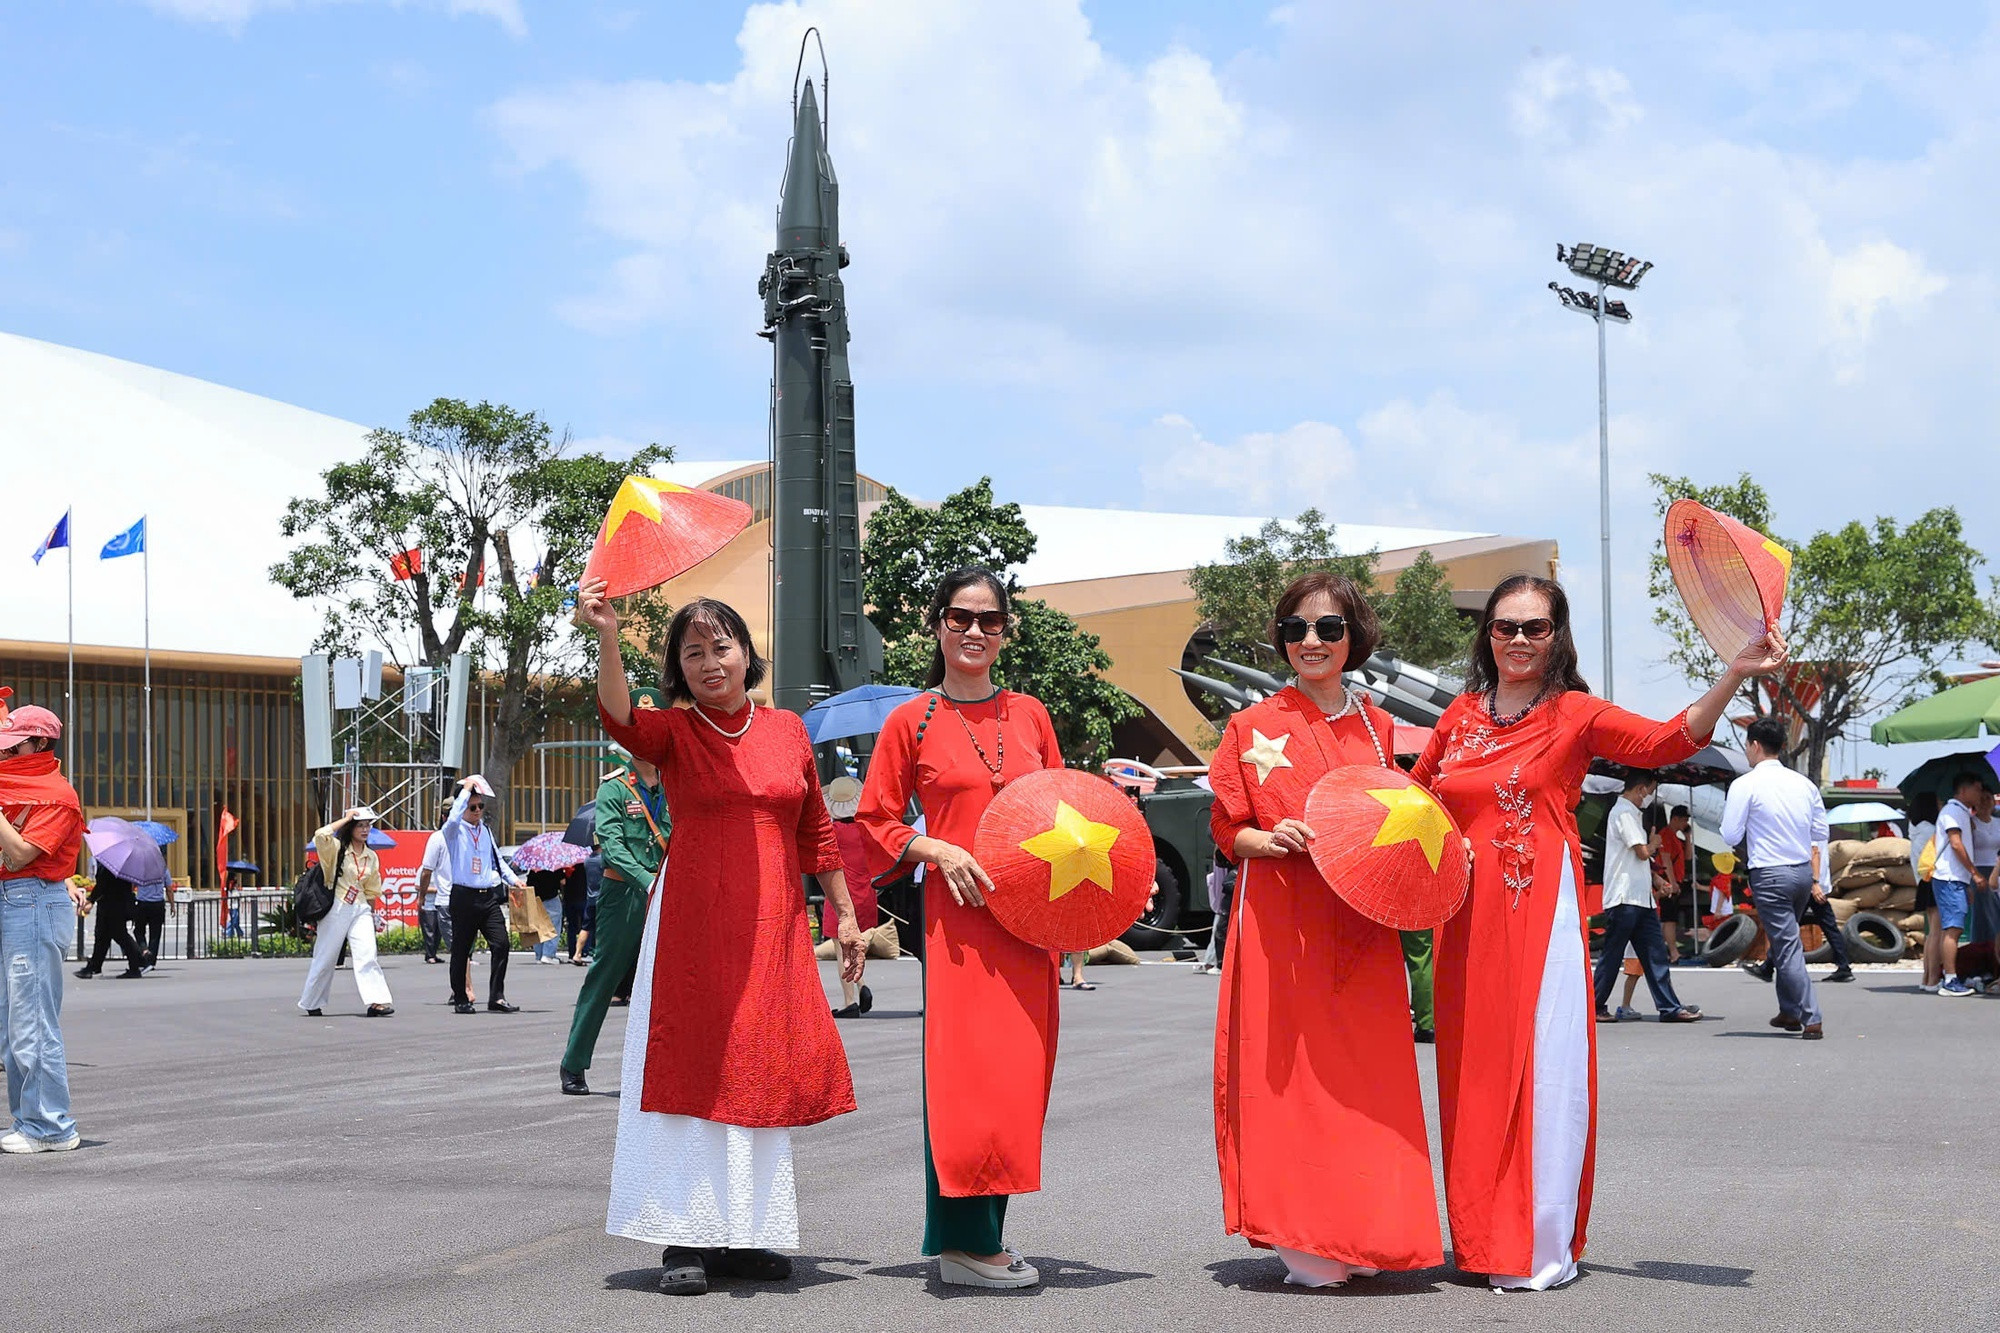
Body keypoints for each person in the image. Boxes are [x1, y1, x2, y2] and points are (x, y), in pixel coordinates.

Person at [1412, 574, 1785, 1291]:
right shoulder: (1458, 716)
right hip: (1462, 917)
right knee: (1472, 1073)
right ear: (1487, 634)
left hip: (1533, 915)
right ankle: (1483, 1238)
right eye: (1505, 625)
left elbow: (1668, 738)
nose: (1518, 638)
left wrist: (1734, 672)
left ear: (1557, 636)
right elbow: (1415, 798)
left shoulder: (1575, 714)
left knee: (1537, 1068)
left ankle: (1536, 1240)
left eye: (1534, 626)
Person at [579, 584, 865, 1296]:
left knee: (760, 1067)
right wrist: (608, 634)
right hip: (693, 924)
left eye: (722, 647)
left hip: (772, 922)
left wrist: (846, 914)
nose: (710, 662)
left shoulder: (788, 730)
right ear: (680, 668)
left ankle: (747, 1232)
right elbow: (618, 714)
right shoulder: (674, 733)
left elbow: (816, 832)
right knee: (694, 1068)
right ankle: (685, 1232)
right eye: (693, 652)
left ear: (747, 656)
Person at [1207, 571, 1444, 1287]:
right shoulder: (1250, 727)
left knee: (1364, 1080)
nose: (1311, 641)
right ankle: (1306, 1236)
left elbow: (1398, 818)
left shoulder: (1377, 726)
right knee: (1293, 1077)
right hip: (1283, 919)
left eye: (1328, 628)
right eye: (1296, 628)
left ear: (1354, 638)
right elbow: (1226, 825)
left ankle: (1366, 1228)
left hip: (1364, 927)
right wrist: (1267, 837)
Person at [856, 567, 1065, 1291]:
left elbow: (1063, 812)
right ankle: (965, 1241)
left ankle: (984, 1234)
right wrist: (934, 846)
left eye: (990, 619)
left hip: (1031, 923)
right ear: (937, 624)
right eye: (960, 616)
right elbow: (875, 818)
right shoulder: (909, 720)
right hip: (960, 925)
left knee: (1019, 1078)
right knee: (967, 1078)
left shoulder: (1033, 715)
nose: (975, 630)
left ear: (1006, 632)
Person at [560, 720, 670, 1096]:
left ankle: (661, 1070)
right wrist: (647, 879)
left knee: (668, 983)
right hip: (625, 892)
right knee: (605, 976)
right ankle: (574, 1063)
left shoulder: (674, 784)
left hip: (668, 892)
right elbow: (612, 842)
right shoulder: (614, 787)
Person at [0, 704, 88, 1152]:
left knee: (32, 1020)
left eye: (14, 745)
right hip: (17, 901)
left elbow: (18, 854)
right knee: (11, 1025)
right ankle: (29, 1121)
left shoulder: (57, 794)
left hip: (31, 899)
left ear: (39, 743)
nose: (6, 754)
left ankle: (51, 1127)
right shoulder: (17, 788)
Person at [1719, 717, 1831, 1030]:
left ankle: (1811, 1016)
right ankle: (1790, 1010)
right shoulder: (1803, 783)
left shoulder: (1745, 784)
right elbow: (1820, 830)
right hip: (1801, 873)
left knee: (1787, 944)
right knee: (1785, 939)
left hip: (1770, 873)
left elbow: (1729, 834)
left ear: (1754, 745)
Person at [1591, 773, 1701, 1023]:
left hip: (1639, 898)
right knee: (1615, 954)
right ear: (1640, 789)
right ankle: (1596, 1004)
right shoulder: (1624, 813)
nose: (1649, 797)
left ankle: (1669, 1007)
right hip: (1625, 897)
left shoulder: (1630, 814)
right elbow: (1642, 853)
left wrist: (1658, 880)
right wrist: (1654, 843)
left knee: (1653, 954)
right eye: (1649, 791)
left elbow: (1637, 861)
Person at [297, 806, 395, 1018]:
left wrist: (372, 915)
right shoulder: (336, 848)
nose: (365, 829)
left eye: (368, 825)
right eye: (360, 825)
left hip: (360, 908)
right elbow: (320, 835)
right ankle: (312, 1001)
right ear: (350, 828)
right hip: (337, 907)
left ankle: (376, 1002)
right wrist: (345, 818)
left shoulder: (371, 856)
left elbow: (372, 890)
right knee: (326, 956)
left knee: (368, 954)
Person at [443, 775, 522, 1015]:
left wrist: (514, 880)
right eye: (472, 807)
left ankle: (496, 997)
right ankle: (460, 998)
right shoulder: (454, 830)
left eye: (480, 806)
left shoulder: (485, 831)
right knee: (461, 950)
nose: (477, 811)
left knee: (501, 944)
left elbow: (496, 860)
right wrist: (465, 790)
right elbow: (454, 816)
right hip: (464, 896)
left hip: (487, 896)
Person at [822, 775, 878, 1018]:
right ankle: (861, 984)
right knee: (856, 948)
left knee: (841, 950)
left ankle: (849, 1000)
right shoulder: (865, 830)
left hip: (839, 895)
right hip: (865, 894)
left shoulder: (832, 832)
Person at [1932, 772, 1992, 998]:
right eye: (1977, 789)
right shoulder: (1953, 812)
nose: (1980, 793)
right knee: (1953, 929)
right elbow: (1956, 845)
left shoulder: (1961, 813)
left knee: (1954, 928)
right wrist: (1974, 874)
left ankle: (1950, 976)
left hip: (1956, 879)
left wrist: (1966, 882)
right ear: (1964, 791)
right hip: (1949, 878)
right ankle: (1949, 979)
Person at [76, 863, 143, 979]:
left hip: (113, 905)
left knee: (119, 935)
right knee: (102, 937)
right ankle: (94, 966)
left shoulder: (110, 864)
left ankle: (138, 962)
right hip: (112, 904)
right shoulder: (122, 865)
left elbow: (103, 884)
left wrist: (91, 900)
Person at [1906, 793, 1942, 992]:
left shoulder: (1916, 830)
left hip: (1923, 882)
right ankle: (1933, 979)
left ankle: (1927, 977)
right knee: (1937, 932)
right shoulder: (1931, 830)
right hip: (1934, 879)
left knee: (1931, 934)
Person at [1655, 804, 1692, 960]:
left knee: (1670, 918)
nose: (1685, 824)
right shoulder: (1665, 835)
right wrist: (1672, 882)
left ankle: (1669, 950)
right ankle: (1673, 952)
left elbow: (1688, 857)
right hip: (1668, 881)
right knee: (1669, 919)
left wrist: (1688, 837)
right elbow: (1666, 860)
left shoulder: (1676, 838)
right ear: (1675, 819)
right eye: (1683, 820)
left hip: (1676, 880)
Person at [417, 816, 452, 965]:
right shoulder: (425, 868)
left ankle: (436, 954)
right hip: (431, 904)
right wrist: (426, 895)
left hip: (443, 900)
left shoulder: (444, 868)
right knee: (430, 930)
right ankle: (430, 955)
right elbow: (419, 884)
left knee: (439, 933)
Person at [131, 871, 171, 974]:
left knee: (138, 931)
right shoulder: (163, 870)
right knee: (155, 934)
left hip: (143, 903)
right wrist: (172, 904)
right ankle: (151, 961)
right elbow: (169, 889)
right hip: (158, 904)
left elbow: (132, 885)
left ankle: (144, 950)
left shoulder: (140, 869)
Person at [528, 868, 566, 964]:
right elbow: (563, 881)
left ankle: (539, 955)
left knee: (539, 926)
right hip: (551, 897)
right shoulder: (554, 865)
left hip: (535, 897)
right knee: (553, 925)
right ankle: (548, 954)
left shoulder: (534, 866)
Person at [559, 861, 589, 964]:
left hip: (569, 899)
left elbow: (563, 883)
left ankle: (572, 952)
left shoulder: (566, 866)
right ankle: (584, 951)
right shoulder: (585, 864)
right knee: (585, 926)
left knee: (571, 926)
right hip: (583, 897)